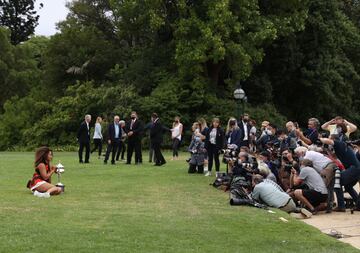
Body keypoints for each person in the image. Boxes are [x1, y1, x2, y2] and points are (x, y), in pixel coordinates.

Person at [320, 137, 360, 211]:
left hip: (354, 168)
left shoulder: (339, 143)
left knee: (337, 182)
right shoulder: (339, 147)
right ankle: (358, 203)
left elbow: (328, 140)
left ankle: (341, 206)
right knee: (348, 187)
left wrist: (320, 139)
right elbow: (334, 157)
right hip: (355, 169)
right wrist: (327, 150)